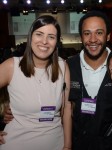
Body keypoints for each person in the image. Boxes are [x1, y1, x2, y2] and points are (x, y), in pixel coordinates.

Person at [0, 15, 72, 150]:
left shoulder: (63, 66)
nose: (44, 41)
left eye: (51, 36)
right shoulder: (12, 66)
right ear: (30, 37)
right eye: (39, 34)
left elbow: (67, 107)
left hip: (55, 144)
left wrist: (67, 146)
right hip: (16, 144)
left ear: (57, 42)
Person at [66, 10, 112, 150]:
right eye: (87, 33)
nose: (93, 39)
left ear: (108, 36)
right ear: (81, 37)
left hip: (111, 145)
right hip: (77, 144)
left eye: (99, 32)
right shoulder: (68, 66)